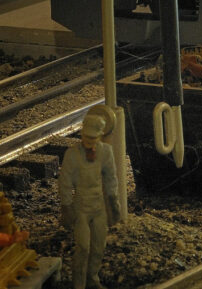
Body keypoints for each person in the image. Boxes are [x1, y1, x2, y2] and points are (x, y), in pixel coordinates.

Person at [58, 113, 121, 289]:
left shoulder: (105, 152)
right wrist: (66, 206)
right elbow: (65, 182)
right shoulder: (72, 155)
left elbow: (110, 178)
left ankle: (92, 278)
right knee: (83, 247)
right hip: (81, 207)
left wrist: (114, 203)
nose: (88, 140)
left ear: (100, 136)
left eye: (93, 137)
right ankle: (78, 284)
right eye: (86, 136)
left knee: (99, 246)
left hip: (99, 206)